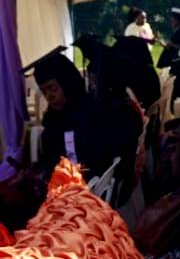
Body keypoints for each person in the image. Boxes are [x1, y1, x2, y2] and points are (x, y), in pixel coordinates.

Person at [29, 49, 137, 186]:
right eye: (44, 91)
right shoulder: (54, 119)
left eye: (53, 88)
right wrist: (41, 171)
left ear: (67, 83)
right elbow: (52, 156)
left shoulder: (90, 113)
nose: (49, 96)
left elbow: (92, 162)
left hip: (85, 189)